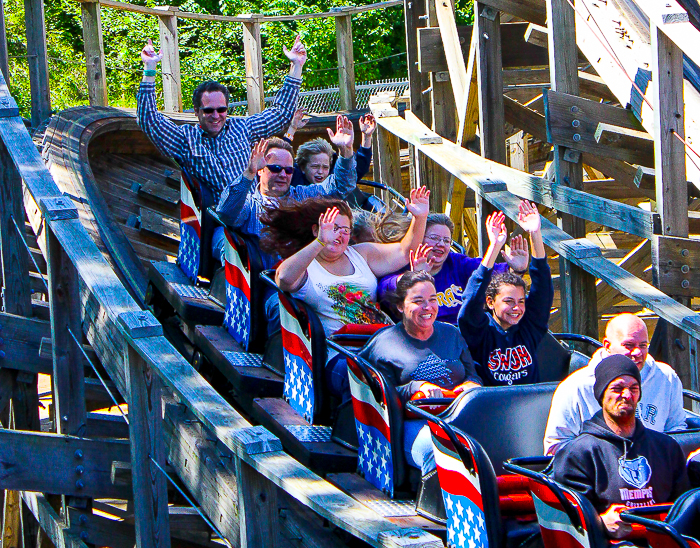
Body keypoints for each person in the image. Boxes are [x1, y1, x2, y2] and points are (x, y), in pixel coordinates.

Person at [265, 188, 430, 398]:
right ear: (317, 230)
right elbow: (284, 279)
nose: (340, 235)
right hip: (342, 353)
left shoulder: (361, 254)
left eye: (346, 230)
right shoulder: (306, 265)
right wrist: (319, 243)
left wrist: (420, 217)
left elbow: (404, 251)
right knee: (366, 378)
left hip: (383, 344)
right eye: (334, 228)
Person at [216, 117, 357, 337]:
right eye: (275, 168)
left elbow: (339, 187)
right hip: (271, 282)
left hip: (311, 277)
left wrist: (346, 151)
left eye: (288, 171)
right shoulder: (251, 204)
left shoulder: (302, 196)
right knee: (282, 310)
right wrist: (248, 174)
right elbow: (226, 213)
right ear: (261, 170)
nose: (283, 174)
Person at [137, 36, 306, 217]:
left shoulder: (242, 127)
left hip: (252, 211)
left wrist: (296, 67)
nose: (216, 116)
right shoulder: (185, 139)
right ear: (196, 111)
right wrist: (150, 69)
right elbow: (149, 120)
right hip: (219, 220)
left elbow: (280, 114)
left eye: (221, 110)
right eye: (209, 111)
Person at [552, 354, 690, 539]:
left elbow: (684, 506)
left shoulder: (667, 448)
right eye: (617, 388)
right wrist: (599, 522)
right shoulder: (577, 453)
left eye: (633, 388)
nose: (627, 395)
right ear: (601, 394)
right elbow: (570, 520)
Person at [359, 269, 482, 476]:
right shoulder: (383, 344)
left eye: (432, 300)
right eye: (418, 301)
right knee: (439, 452)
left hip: (458, 416)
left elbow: (473, 376)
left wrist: (470, 386)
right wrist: (417, 387)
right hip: (413, 421)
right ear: (400, 306)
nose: (427, 307)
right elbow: (375, 394)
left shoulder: (451, 334)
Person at [543, 313, 686, 455]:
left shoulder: (666, 377)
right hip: (597, 470)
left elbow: (677, 430)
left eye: (643, 345)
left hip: (654, 465)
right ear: (607, 346)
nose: (637, 352)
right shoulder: (575, 386)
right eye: (628, 345)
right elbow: (556, 446)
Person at [458, 202, 553, 386]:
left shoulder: (528, 328)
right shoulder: (480, 330)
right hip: (494, 406)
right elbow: (471, 299)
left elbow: (543, 290)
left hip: (527, 404)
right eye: (508, 301)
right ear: (491, 302)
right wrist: (494, 247)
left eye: (521, 301)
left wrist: (535, 233)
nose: (516, 308)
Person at [378, 213, 528, 325]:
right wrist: (415, 276)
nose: (441, 244)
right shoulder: (402, 263)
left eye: (446, 240)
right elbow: (384, 289)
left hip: (463, 337)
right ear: (419, 238)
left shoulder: (457, 263)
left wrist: (516, 269)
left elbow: (488, 273)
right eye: (434, 238)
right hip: (423, 337)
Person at [283, 109, 375, 186]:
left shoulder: (334, 180)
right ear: (303, 168)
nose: (320, 172)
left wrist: (366, 136)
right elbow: (281, 155)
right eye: (315, 167)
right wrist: (292, 128)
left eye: (325, 167)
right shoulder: (294, 178)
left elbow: (359, 168)